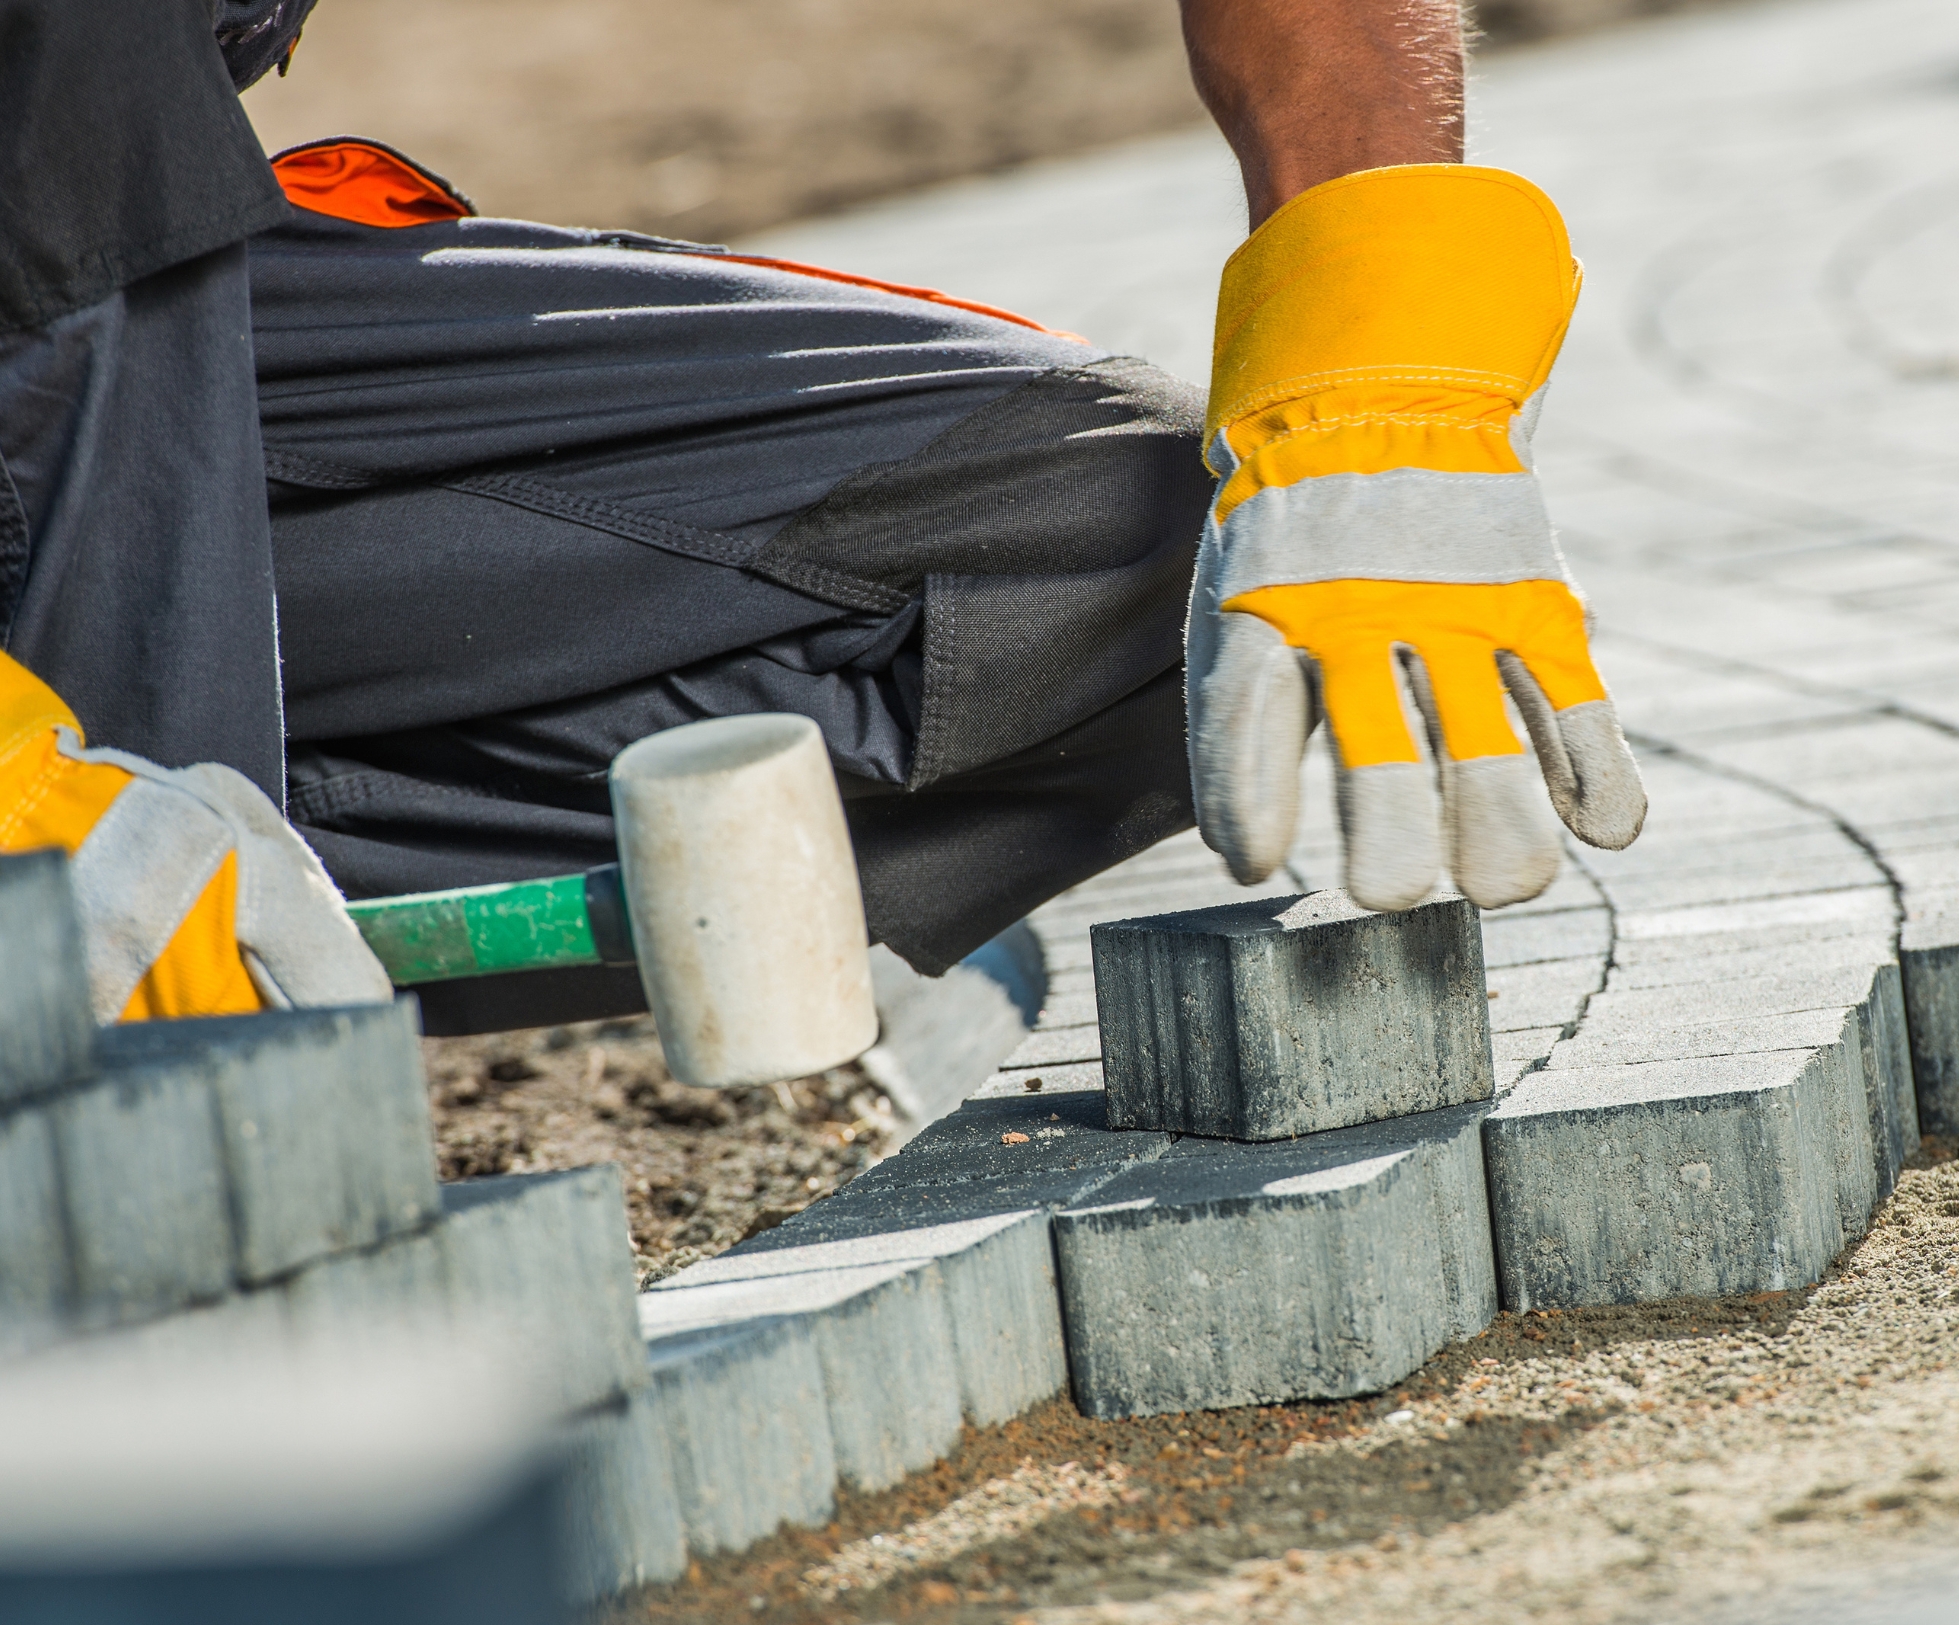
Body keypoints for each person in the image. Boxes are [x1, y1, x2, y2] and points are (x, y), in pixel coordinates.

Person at [0, 0, 1645, 1032]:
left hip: (114, 245)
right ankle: (114, 995)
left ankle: (253, 909)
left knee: (1142, 546)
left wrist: (1375, 363)